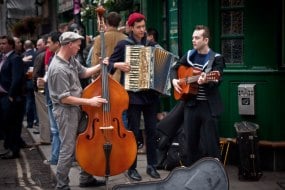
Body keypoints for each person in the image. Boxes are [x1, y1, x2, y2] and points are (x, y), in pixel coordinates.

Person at [47, 31, 107, 189]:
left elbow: (84, 72)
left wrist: (101, 66)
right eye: (78, 45)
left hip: (77, 109)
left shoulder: (70, 60)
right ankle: (61, 185)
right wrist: (90, 101)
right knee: (68, 149)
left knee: (88, 142)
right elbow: (64, 98)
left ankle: (85, 179)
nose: (79, 48)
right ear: (68, 45)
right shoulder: (58, 68)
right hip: (66, 112)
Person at [108, 12, 160, 181]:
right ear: (131, 27)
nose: (142, 30)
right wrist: (118, 64)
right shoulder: (124, 44)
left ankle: (152, 165)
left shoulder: (152, 45)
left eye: (143, 27)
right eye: (138, 27)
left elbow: (161, 65)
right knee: (133, 133)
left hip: (150, 96)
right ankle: (132, 167)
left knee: (152, 132)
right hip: (132, 96)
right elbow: (108, 63)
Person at [170, 25, 225, 166]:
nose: (193, 40)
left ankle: (215, 172)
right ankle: (191, 173)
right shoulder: (189, 55)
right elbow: (174, 68)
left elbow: (217, 80)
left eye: (197, 38)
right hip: (191, 105)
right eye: (193, 37)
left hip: (208, 106)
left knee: (211, 143)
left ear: (205, 40)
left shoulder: (216, 58)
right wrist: (174, 80)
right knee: (190, 143)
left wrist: (205, 81)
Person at [0, 35, 26, 159]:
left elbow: (17, 78)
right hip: (2, 96)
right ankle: (9, 147)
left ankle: (14, 150)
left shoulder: (15, 58)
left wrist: (11, 95)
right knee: (5, 123)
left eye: (4, 43)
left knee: (12, 124)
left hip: (10, 97)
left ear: (10, 45)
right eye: (0, 43)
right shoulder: (2, 58)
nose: (1, 46)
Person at [91, 11, 127, 82]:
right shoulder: (126, 38)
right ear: (119, 23)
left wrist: (94, 76)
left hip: (104, 77)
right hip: (122, 79)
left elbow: (95, 60)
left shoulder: (99, 38)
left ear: (106, 23)